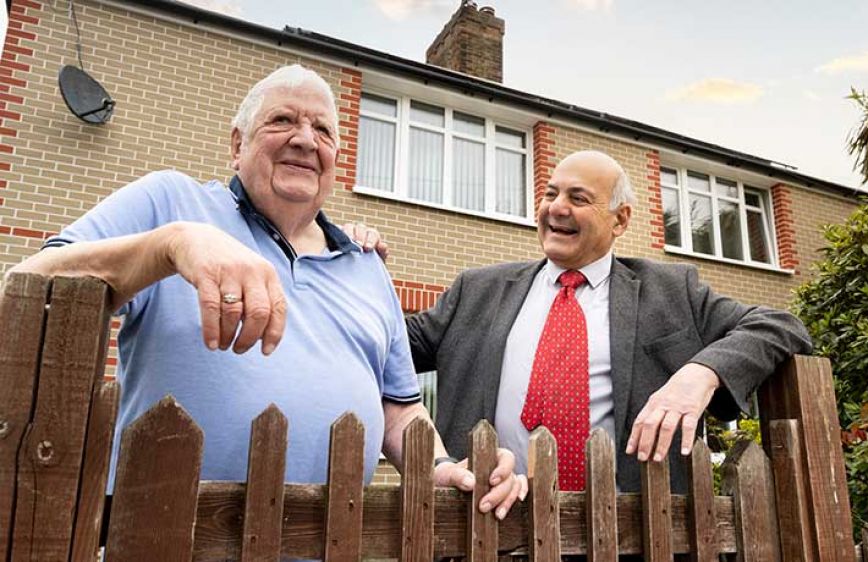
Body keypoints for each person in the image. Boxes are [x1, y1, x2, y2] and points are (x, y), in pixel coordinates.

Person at [7, 64, 523, 517]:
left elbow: (400, 408)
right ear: (237, 144)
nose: (304, 139)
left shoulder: (367, 268)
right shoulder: (171, 204)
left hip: (330, 543)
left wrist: (438, 468)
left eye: (323, 129)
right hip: (162, 536)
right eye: (283, 120)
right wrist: (171, 245)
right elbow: (29, 284)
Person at [402, 150, 813, 492]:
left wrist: (701, 374)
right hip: (487, 527)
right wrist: (344, 257)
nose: (556, 208)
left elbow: (782, 326)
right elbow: (386, 343)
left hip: (628, 534)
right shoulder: (477, 290)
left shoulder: (672, 291)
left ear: (620, 219)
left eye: (578, 199)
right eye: (550, 194)